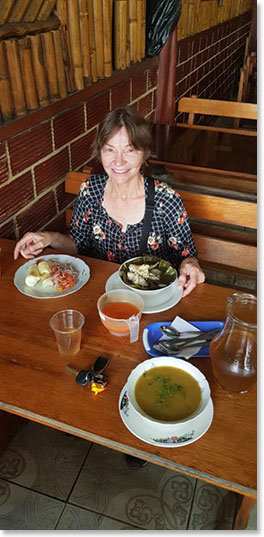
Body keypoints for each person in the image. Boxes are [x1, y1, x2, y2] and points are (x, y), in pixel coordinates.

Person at [14, 106, 205, 297]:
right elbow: (79, 244)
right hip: (100, 296)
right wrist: (49, 238)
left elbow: (186, 257)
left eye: (129, 150)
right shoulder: (91, 190)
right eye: (110, 150)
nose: (118, 162)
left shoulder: (167, 201)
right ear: (100, 151)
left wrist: (190, 264)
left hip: (153, 301)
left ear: (145, 152)